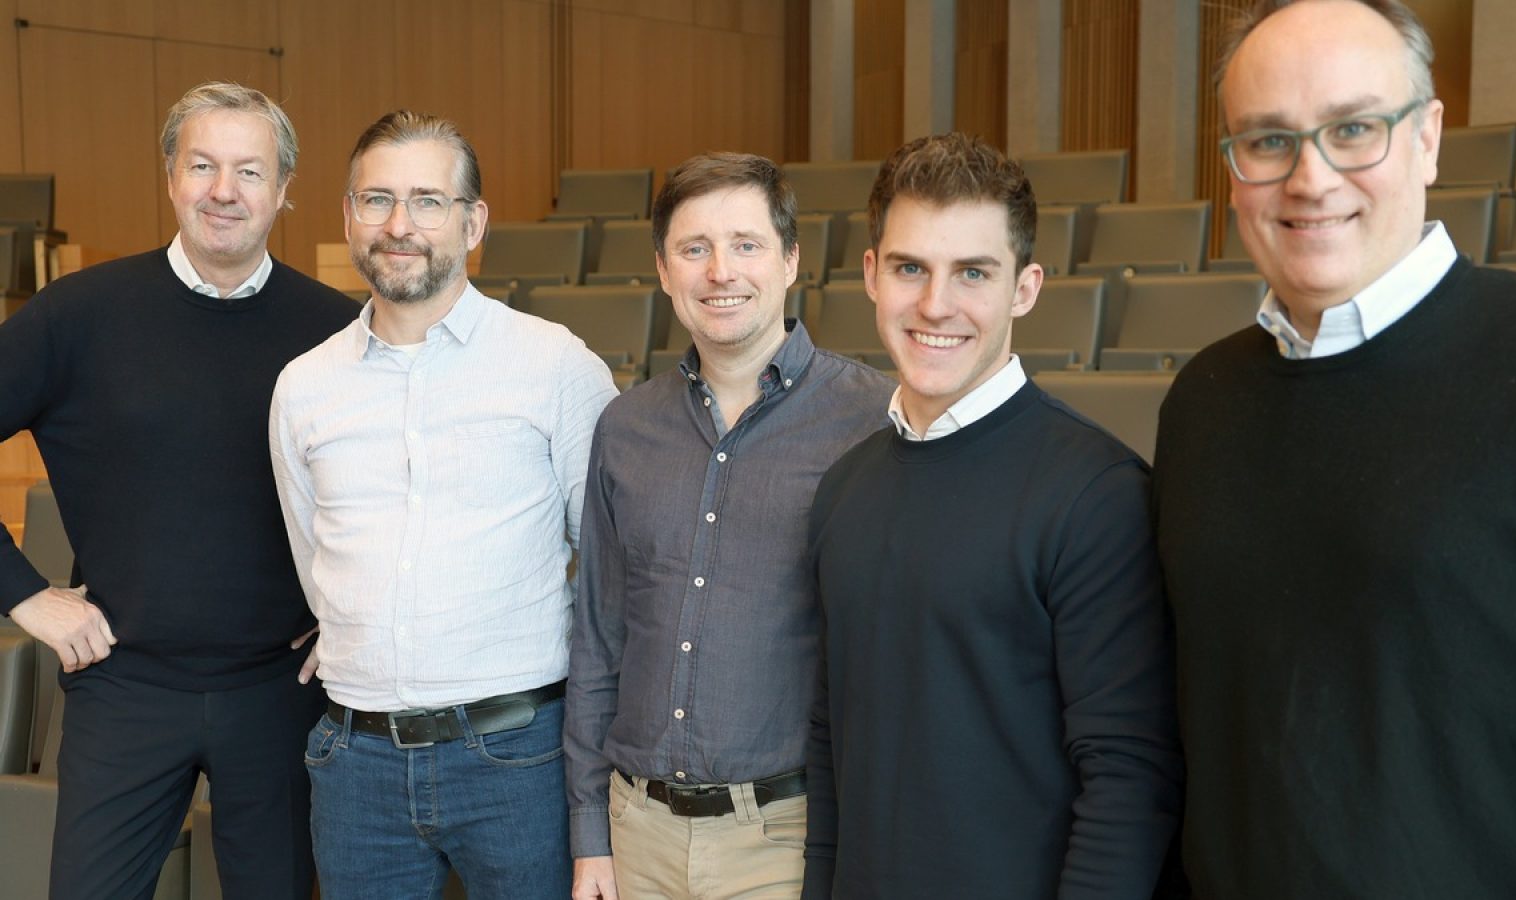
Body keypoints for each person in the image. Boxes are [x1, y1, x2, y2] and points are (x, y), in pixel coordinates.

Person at [1152, 1, 1516, 896]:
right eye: (1268, 140)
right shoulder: (1200, 401)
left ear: (1428, 138)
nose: (1310, 179)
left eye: (1354, 129)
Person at [803, 132, 1184, 899]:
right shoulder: (844, 488)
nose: (936, 304)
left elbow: (1129, 779)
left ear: (1025, 288)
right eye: (911, 267)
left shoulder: (1098, 493)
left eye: (972, 273)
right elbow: (829, 745)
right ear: (872, 276)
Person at [0, 82, 355, 899]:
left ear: (285, 191)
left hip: (282, 693)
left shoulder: (338, 333)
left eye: (249, 171)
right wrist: (24, 596)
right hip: (123, 685)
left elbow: (398, 500)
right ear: (170, 177)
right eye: (202, 165)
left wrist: (354, 618)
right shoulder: (76, 315)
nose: (223, 190)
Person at [269, 110, 616, 900]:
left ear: (473, 221)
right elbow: (311, 553)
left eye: (427, 200)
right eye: (376, 200)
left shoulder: (555, 365)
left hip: (516, 759)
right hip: (355, 765)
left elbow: (606, 570)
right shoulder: (304, 386)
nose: (399, 225)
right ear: (348, 216)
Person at [564, 152, 893, 900]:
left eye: (746, 244)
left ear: (791, 260)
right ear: (663, 270)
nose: (721, 271)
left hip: (785, 838)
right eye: (694, 249)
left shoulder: (871, 420)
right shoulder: (625, 427)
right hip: (633, 834)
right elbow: (598, 640)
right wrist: (591, 834)